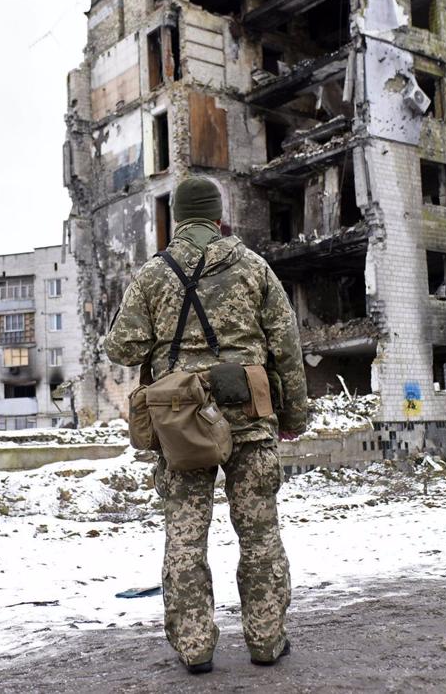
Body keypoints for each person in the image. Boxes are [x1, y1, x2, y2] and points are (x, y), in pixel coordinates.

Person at [104, 176, 308, 674]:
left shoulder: (153, 276)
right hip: (251, 420)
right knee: (259, 534)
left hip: (181, 425)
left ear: (177, 217)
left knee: (185, 538)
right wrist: (294, 416)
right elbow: (287, 349)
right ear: (218, 216)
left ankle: (195, 648)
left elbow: (121, 349)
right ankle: (266, 639)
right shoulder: (255, 268)